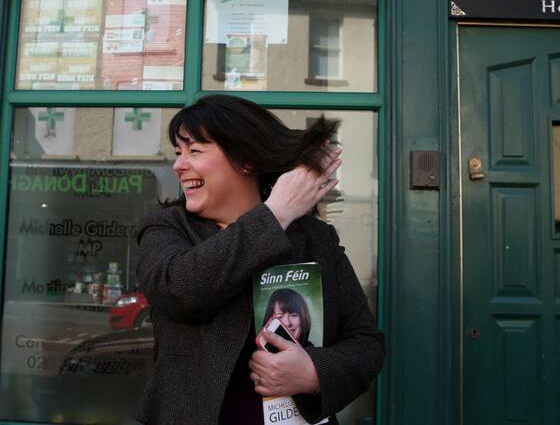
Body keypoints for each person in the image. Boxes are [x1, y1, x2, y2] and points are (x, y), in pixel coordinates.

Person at [134, 95, 385, 425]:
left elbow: (366, 344)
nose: (179, 165)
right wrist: (275, 214)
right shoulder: (166, 229)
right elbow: (179, 290)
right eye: (178, 153)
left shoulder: (314, 237)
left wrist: (313, 372)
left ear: (245, 160)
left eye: (194, 151)